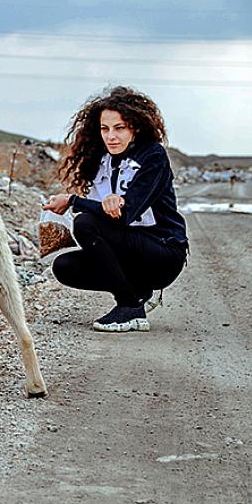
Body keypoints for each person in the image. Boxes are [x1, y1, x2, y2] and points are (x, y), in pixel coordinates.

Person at [42, 86, 188, 332]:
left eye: (119, 128)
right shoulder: (102, 159)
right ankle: (138, 293)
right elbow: (104, 213)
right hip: (130, 251)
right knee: (65, 267)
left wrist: (72, 201)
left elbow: (126, 214)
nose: (111, 136)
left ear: (136, 127)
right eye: (105, 128)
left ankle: (130, 307)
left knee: (86, 223)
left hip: (163, 253)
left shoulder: (153, 156)